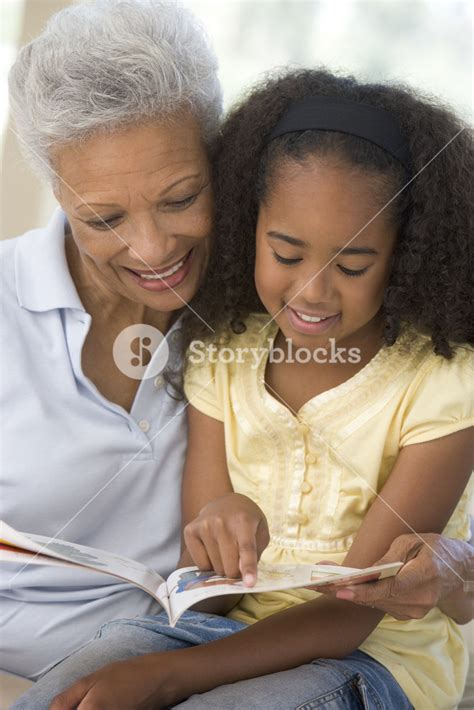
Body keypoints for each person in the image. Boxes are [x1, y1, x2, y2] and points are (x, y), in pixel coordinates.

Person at [16, 69, 473, 709]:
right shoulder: (225, 355)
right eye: (286, 255)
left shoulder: (443, 384)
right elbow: (210, 591)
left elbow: (348, 616)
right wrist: (219, 531)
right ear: (248, 228)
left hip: (372, 660)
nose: (312, 291)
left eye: (352, 264)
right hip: (219, 632)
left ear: (406, 255)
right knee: (93, 671)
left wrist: (166, 677)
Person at [0, 0, 221, 680]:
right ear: (59, 197)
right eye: (104, 218)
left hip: (189, 668)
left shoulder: (280, 299)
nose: (153, 248)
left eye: (181, 198)